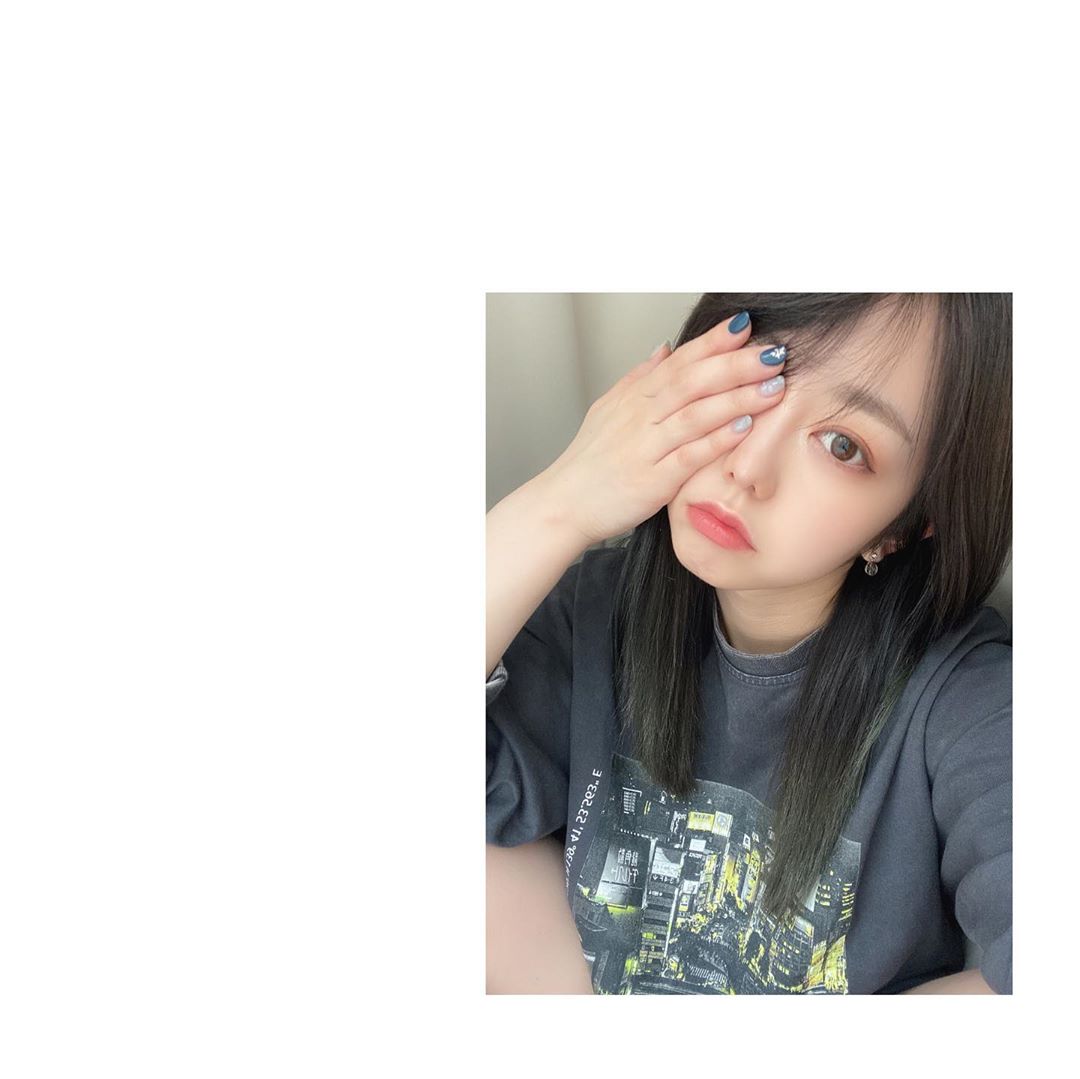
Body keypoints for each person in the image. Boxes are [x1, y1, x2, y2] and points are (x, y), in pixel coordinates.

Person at [486, 294, 1011, 995]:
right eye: (756, 378)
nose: (749, 467)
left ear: (905, 525)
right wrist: (561, 502)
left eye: (844, 446)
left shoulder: (969, 701)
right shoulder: (597, 611)